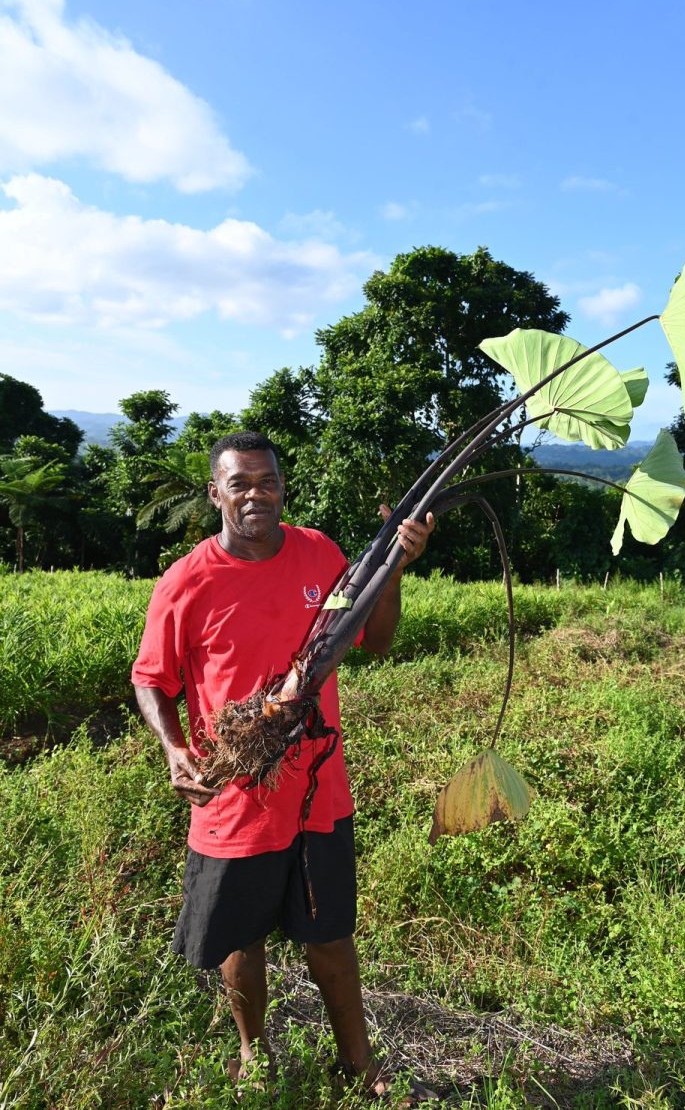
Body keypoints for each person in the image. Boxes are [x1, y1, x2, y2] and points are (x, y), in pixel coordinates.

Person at [132, 431, 438, 1104]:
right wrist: (174, 745)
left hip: (317, 790)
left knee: (329, 937)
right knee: (242, 942)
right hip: (234, 794)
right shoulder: (187, 581)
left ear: (281, 488)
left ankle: (357, 1064)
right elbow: (150, 678)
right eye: (239, 483)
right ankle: (253, 1054)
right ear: (215, 492)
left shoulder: (321, 553)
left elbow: (378, 642)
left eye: (266, 482)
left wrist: (394, 569)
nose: (255, 495)